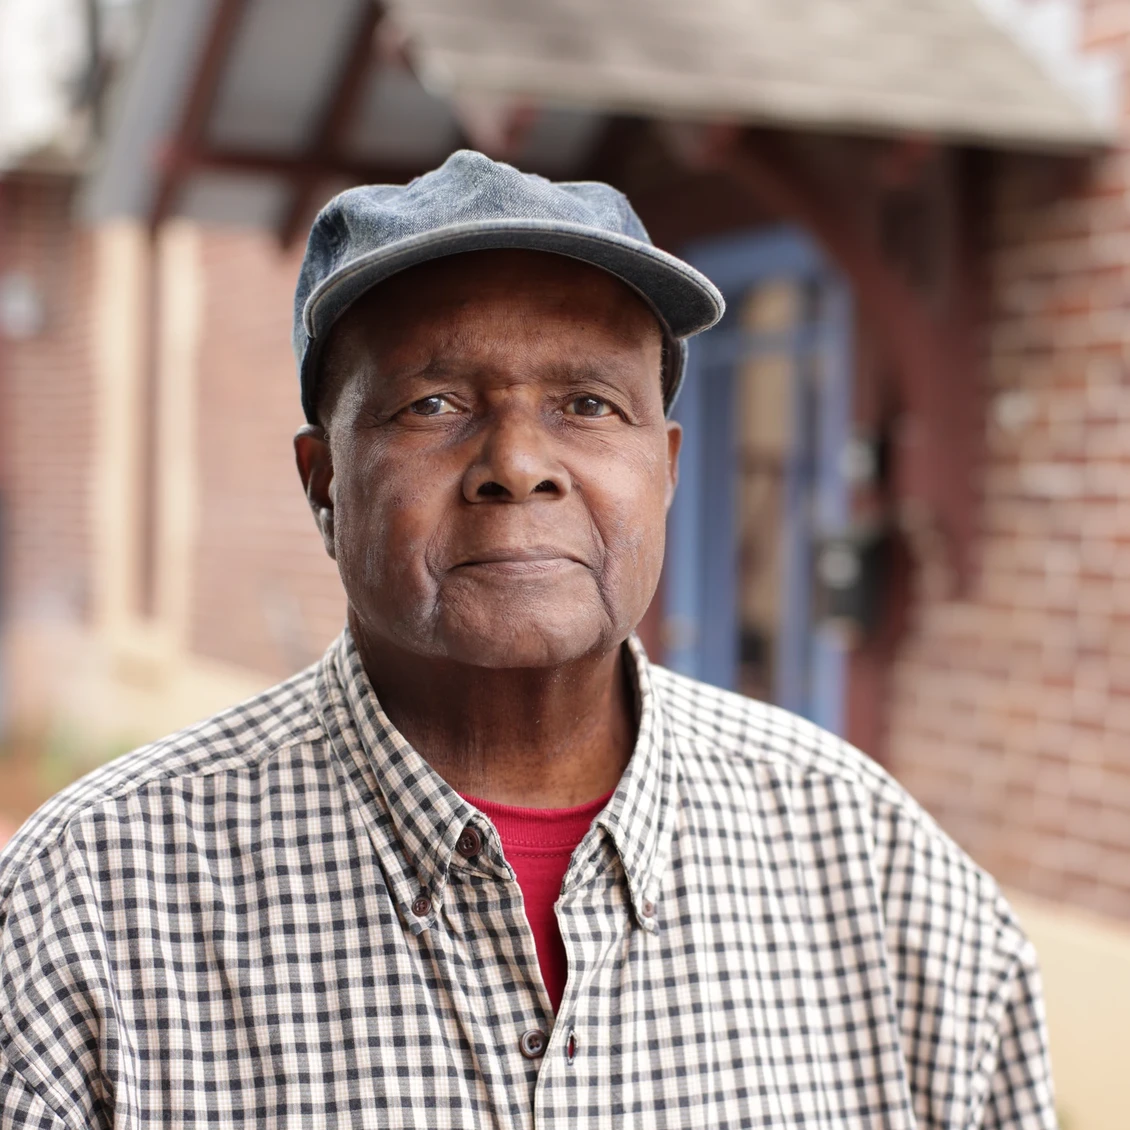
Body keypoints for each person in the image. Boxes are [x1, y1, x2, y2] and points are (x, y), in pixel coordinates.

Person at [0, 151, 1054, 1129]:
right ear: (323, 484)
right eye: (433, 403)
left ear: (667, 468)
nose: (518, 463)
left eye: (588, 404)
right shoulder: (90, 901)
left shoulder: (882, 878)